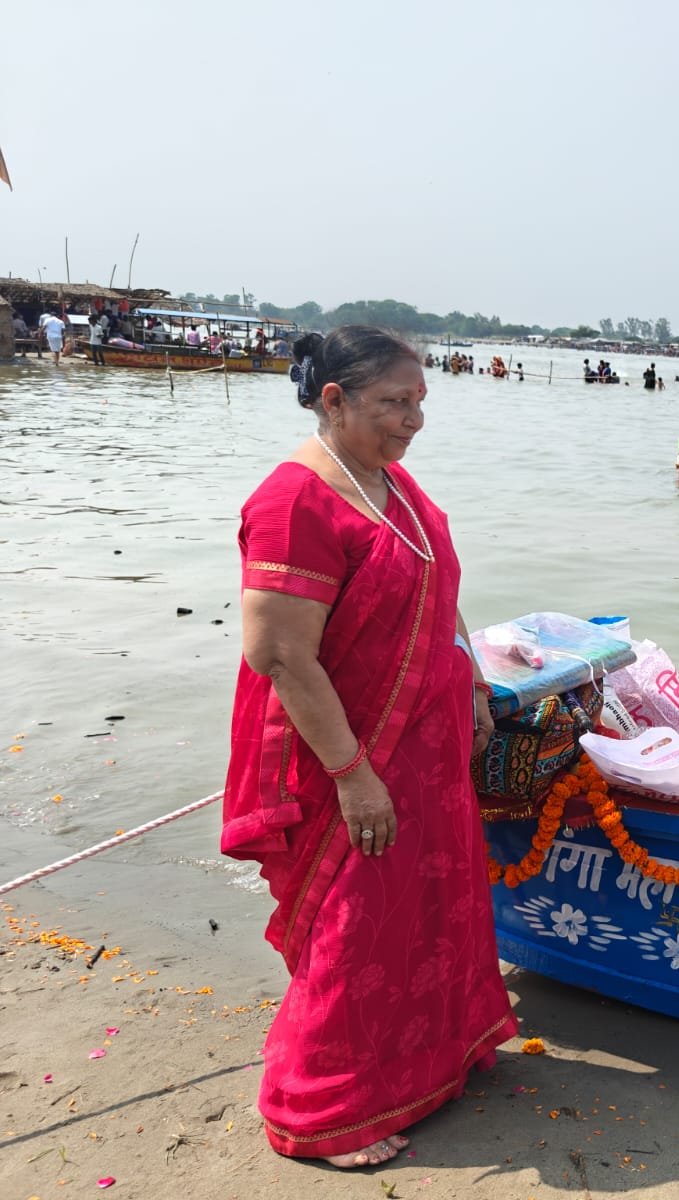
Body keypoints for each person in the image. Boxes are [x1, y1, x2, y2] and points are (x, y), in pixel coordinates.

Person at [221, 326, 517, 1167]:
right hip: (347, 757)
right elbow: (278, 653)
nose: (414, 419)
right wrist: (353, 777)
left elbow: (437, 587)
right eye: (394, 403)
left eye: (420, 401)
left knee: (427, 914)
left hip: (427, 750)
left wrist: (470, 684)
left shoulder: (393, 487)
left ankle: (436, 1059)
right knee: (354, 931)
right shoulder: (294, 503)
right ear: (334, 399)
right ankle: (318, 1110)